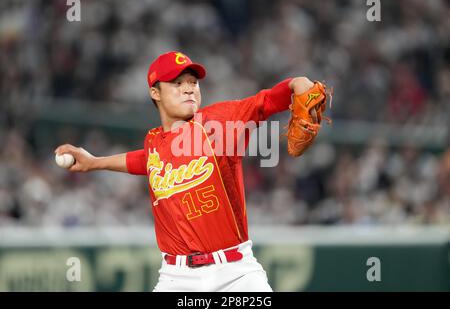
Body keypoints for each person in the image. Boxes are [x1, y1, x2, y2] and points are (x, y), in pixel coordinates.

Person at [55, 51, 317, 292]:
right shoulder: (154, 142)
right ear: (155, 93)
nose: (189, 89)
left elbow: (266, 101)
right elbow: (146, 160)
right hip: (176, 278)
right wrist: (95, 162)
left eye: (193, 82)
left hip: (235, 274)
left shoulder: (218, 123)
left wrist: (296, 83)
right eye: (177, 84)